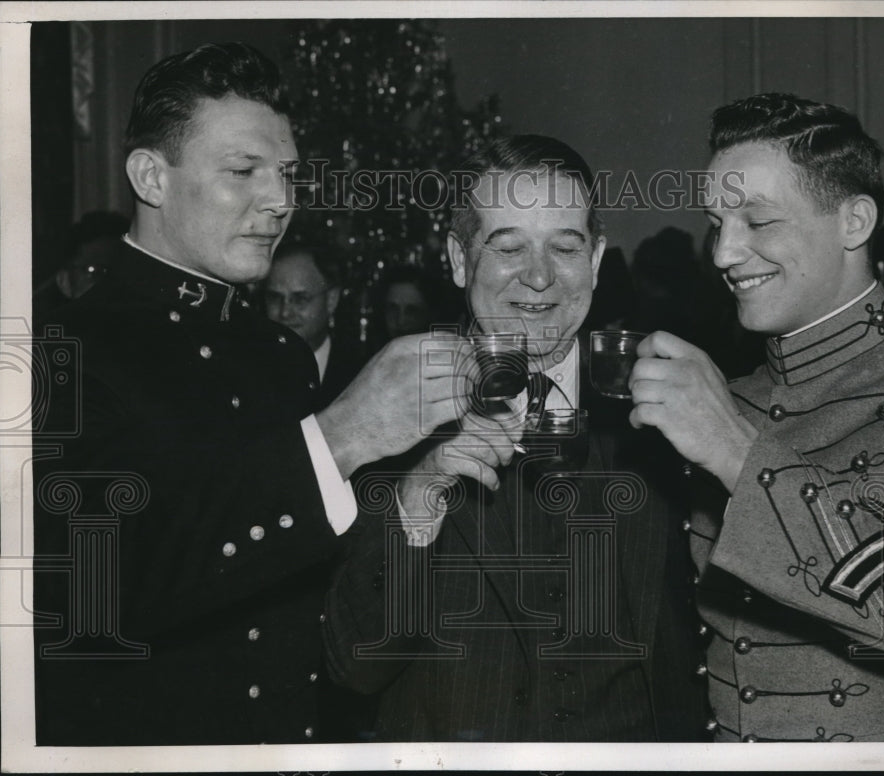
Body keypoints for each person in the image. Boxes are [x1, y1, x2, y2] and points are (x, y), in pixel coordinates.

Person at [32, 42, 472, 746]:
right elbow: (93, 599)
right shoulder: (59, 350)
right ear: (151, 176)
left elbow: (324, 614)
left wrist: (419, 487)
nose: (280, 202)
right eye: (243, 171)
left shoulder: (280, 356)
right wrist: (342, 437)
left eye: (288, 174)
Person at [627, 92, 884, 741]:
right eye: (717, 223)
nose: (722, 254)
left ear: (854, 222)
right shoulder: (727, 397)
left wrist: (738, 454)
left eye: (759, 222)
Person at [322, 135, 707, 741]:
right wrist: (417, 495)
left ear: (597, 259)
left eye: (565, 247)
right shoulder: (383, 413)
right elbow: (355, 667)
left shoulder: (665, 415)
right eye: (508, 247)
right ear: (457, 258)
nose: (539, 276)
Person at [263, 242, 365, 408]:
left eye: (300, 299)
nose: (285, 313)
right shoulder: (249, 369)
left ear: (331, 300)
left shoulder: (360, 374)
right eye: (275, 298)